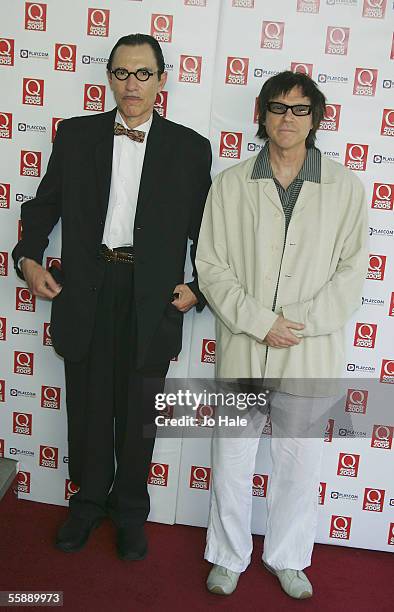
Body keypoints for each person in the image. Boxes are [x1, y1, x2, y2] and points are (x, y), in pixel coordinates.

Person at [12, 33, 211, 560]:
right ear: (109, 77)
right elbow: (44, 205)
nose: (132, 84)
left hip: (153, 298)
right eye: (122, 73)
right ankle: (87, 504)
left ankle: (130, 512)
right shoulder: (76, 137)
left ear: (162, 80)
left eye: (143, 73)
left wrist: (199, 288)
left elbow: (208, 232)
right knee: (88, 407)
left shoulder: (191, 148)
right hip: (87, 289)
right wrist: (28, 257)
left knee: (139, 411)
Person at [196, 71, 368, 598]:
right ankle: (227, 556)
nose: (286, 118)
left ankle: (289, 557)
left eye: (299, 109)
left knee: (298, 464)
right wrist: (258, 322)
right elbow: (212, 265)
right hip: (246, 346)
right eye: (277, 107)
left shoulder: (345, 187)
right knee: (232, 461)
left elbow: (351, 272)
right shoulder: (230, 184)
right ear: (261, 114)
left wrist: (296, 324)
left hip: (308, 352)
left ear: (316, 117)